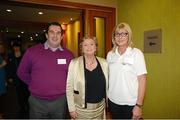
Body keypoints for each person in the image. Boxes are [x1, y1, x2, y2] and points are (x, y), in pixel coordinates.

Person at [17, 22, 74, 119]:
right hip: (37, 101)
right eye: (52, 32)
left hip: (60, 101)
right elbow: (21, 72)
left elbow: (72, 76)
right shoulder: (32, 52)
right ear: (46, 35)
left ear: (61, 36)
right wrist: (33, 83)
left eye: (58, 33)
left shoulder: (69, 55)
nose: (55, 35)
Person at [106, 22, 147, 119]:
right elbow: (109, 78)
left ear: (129, 36)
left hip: (131, 103)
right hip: (113, 101)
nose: (120, 37)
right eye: (117, 34)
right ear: (114, 37)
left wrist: (138, 105)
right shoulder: (110, 54)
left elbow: (142, 80)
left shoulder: (136, 53)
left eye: (124, 34)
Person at [66, 36, 108, 119]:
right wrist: (71, 109)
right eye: (85, 45)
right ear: (81, 48)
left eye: (92, 44)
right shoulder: (74, 63)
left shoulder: (104, 63)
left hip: (99, 108)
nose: (89, 47)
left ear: (96, 47)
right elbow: (69, 87)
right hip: (80, 110)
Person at [7, 42, 30, 118]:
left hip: (24, 77)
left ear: (20, 47)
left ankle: (28, 107)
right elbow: (9, 67)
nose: (16, 48)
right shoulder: (10, 56)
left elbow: (29, 65)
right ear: (13, 48)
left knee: (26, 93)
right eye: (15, 47)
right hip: (16, 78)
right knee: (19, 94)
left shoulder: (24, 55)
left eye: (17, 47)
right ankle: (22, 108)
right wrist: (9, 77)